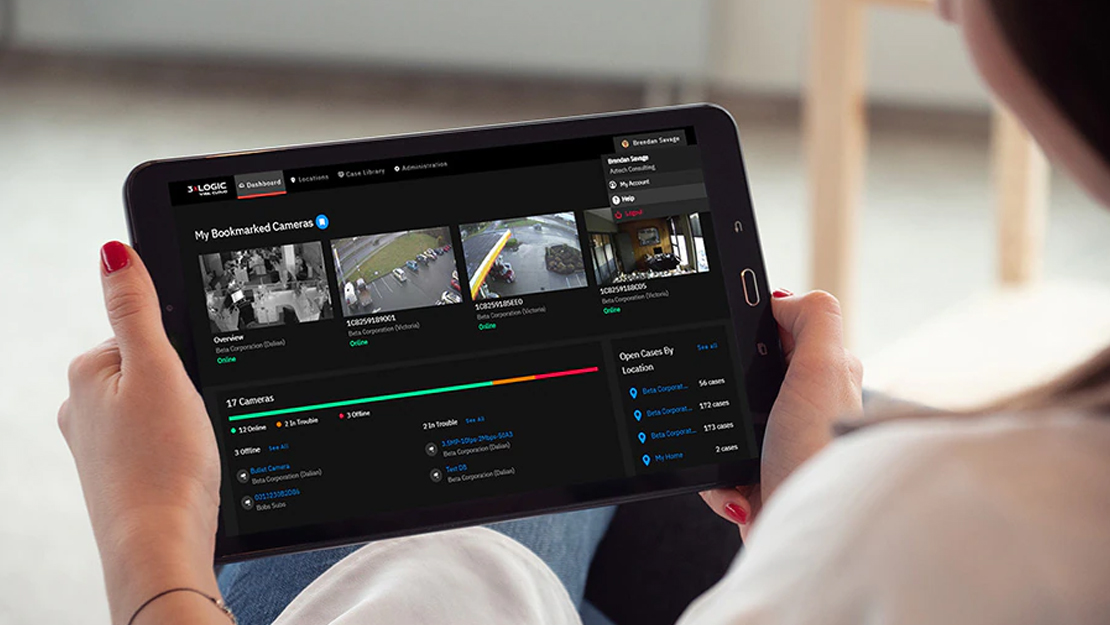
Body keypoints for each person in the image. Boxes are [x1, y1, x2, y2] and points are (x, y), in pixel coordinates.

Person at [59, 0, 1110, 623]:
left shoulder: (950, 526)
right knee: (627, 446)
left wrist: (148, 545)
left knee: (440, 533)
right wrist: (813, 493)